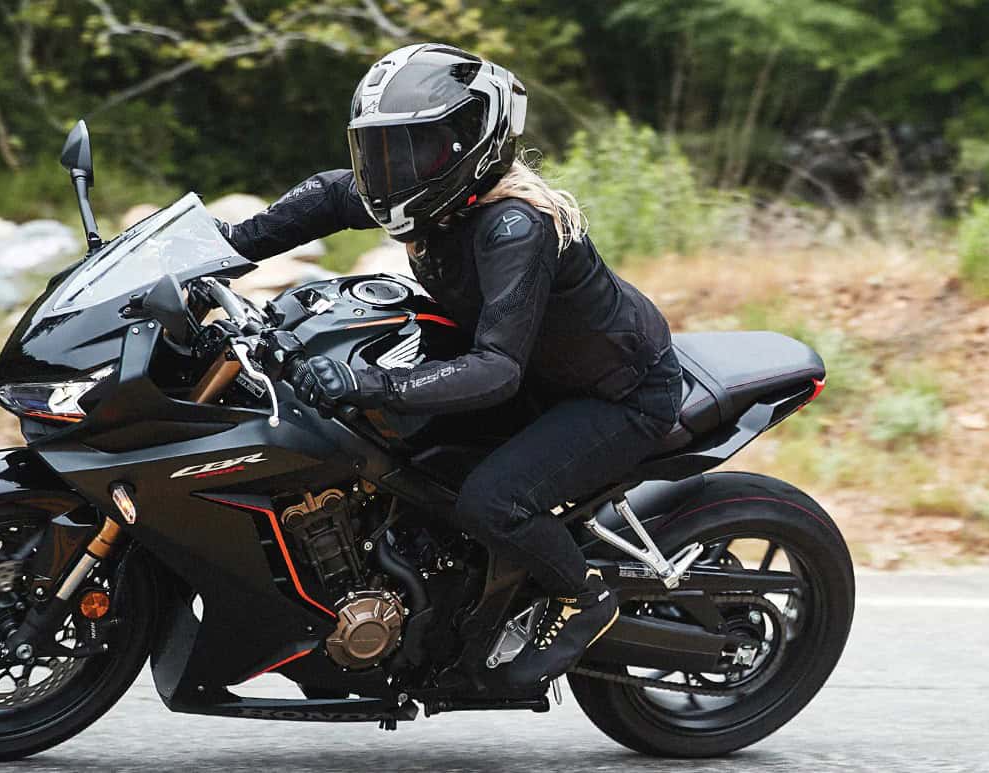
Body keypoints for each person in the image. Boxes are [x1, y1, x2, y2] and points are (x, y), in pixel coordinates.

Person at [215, 43, 684, 688]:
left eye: (411, 147)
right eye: (378, 148)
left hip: (614, 393)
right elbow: (328, 196)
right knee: (392, 455)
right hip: (531, 368)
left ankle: (585, 596)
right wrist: (215, 252)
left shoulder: (512, 228)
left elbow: (496, 369)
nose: (387, 168)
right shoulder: (424, 194)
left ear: (469, 142)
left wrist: (367, 382)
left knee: (492, 499)